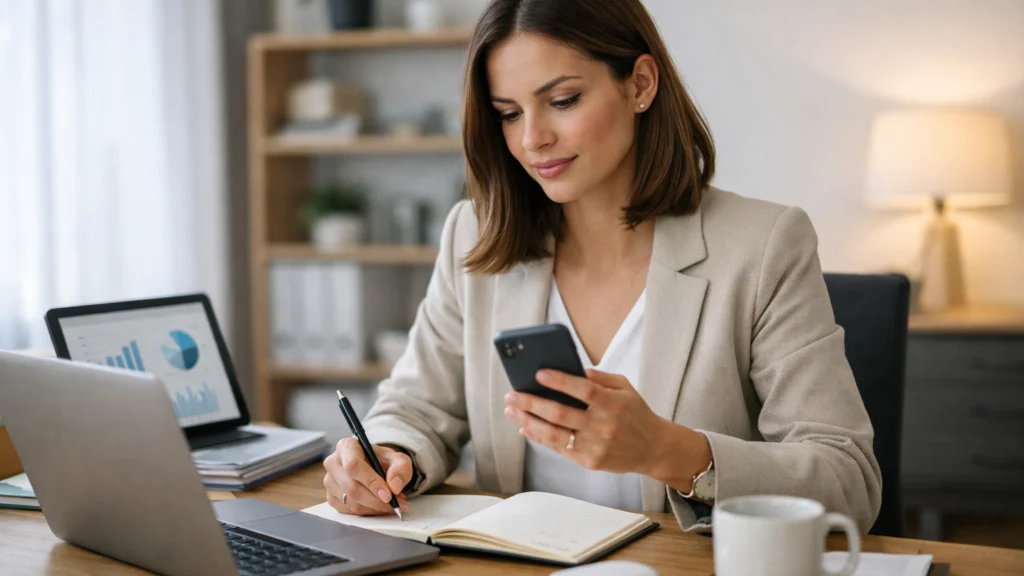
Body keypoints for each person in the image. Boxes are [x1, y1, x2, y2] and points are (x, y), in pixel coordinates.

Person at [322, 0, 881, 532]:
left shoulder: (763, 246)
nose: (533, 138)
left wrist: (668, 452)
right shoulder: (475, 234)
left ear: (639, 84)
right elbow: (417, 407)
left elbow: (848, 479)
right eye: (509, 114)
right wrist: (386, 454)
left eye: (562, 101)